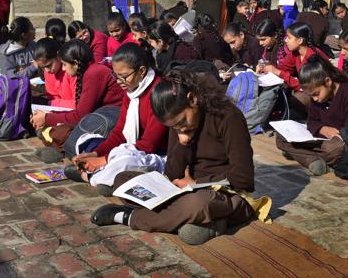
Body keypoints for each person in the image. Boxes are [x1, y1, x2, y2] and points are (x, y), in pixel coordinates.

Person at [91, 70, 261, 246]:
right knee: (122, 178)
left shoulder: (228, 117)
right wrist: (183, 144)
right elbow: (172, 173)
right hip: (183, 190)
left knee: (197, 204)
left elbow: (243, 179)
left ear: (192, 99)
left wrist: (196, 183)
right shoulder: (178, 124)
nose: (180, 129)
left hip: (222, 193)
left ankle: (131, 216)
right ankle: (196, 220)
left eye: (181, 123)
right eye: (174, 127)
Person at [67, 43, 169, 195]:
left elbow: (149, 145)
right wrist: (96, 154)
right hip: (133, 148)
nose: (119, 81)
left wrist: (104, 160)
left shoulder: (160, 93)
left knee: (126, 161)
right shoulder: (131, 91)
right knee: (86, 142)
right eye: (116, 76)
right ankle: (103, 174)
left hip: (158, 153)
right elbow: (120, 132)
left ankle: (92, 176)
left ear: (142, 71)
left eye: (123, 76)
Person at [30, 40, 124, 163]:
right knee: (59, 129)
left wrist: (47, 118)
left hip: (111, 119)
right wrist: (47, 115)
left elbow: (80, 115)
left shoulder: (94, 73)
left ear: (75, 63)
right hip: (98, 116)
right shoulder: (88, 72)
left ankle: (75, 156)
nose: (63, 68)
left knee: (68, 132)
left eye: (64, 64)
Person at [276, 56, 348, 176]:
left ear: (328, 82)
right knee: (281, 137)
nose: (315, 99)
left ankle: (300, 154)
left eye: (316, 94)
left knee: (334, 150)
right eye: (311, 96)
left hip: (339, 144)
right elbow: (311, 121)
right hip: (320, 140)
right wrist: (322, 129)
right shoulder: (317, 98)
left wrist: (337, 134)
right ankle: (311, 159)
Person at [258, 22, 328, 111]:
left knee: (297, 98)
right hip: (307, 89)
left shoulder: (313, 58)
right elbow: (284, 69)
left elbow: (308, 86)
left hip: (319, 94)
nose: (285, 40)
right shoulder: (295, 53)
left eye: (289, 38)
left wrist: (278, 72)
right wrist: (265, 69)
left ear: (300, 40)